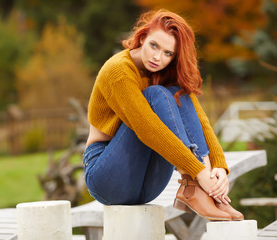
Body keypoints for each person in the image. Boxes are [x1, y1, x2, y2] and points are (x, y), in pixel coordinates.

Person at [82, 9, 243, 221]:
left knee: (178, 92)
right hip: (107, 177)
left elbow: (199, 120)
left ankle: (199, 190)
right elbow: (147, 129)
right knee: (154, 94)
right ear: (142, 38)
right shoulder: (119, 71)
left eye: (168, 54)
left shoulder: (166, 72)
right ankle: (194, 184)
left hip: (148, 185)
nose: (158, 57)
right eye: (154, 46)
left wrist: (217, 166)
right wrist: (198, 172)